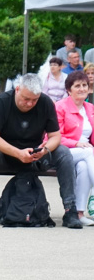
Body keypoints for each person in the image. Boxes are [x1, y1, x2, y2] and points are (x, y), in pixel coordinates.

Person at [0, 73, 82, 228]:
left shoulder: (46, 103)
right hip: (5, 155)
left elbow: (55, 136)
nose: (30, 104)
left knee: (64, 153)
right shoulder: (2, 102)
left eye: (34, 100)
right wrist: (17, 153)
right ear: (17, 89)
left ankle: (70, 210)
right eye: (26, 99)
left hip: (34, 156)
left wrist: (45, 149)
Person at [55, 71, 94, 226]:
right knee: (88, 152)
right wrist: (76, 143)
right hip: (63, 151)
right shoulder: (60, 107)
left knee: (85, 166)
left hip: (86, 154)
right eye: (77, 86)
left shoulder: (90, 108)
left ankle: (79, 213)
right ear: (69, 90)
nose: (82, 88)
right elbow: (54, 136)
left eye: (84, 85)